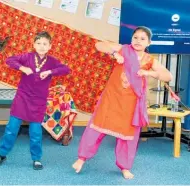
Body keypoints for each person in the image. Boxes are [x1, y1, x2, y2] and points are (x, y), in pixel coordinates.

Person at [72, 26, 172, 179]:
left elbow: (168, 76)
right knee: (96, 128)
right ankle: (81, 158)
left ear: (149, 43)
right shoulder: (123, 49)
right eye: (135, 37)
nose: (138, 41)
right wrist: (114, 54)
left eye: (142, 39)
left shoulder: (150, 60)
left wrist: (149, 72)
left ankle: (124, 167)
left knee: (127, 136)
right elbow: (99, 45)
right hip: (111, 99)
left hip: (130, 104)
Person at [0, 31, 70, 170]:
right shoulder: (27, 57)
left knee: (35, 132)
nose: (41, 46)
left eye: (45, 44)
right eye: (38, 43)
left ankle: (36, 158)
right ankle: (2, 154)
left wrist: (50, 72)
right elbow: (9, 60)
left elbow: (66, 69)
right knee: (11, 128)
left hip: (38, 101)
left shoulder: (51, 61)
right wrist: (22, 67)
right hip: (22, 98)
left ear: (50, 46)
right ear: (34, 44)